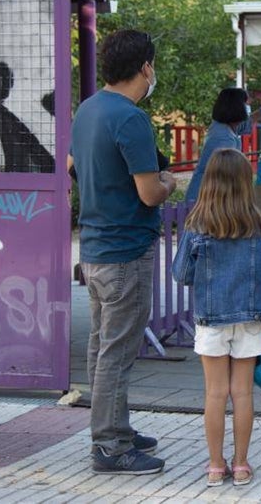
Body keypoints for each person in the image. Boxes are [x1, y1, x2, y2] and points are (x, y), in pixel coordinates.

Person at [68, 29, 177, 475]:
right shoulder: (130, 118)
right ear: (145, 67)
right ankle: (111, 445)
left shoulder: (88, 109)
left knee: (102, 346)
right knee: (118, 351)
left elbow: (73, 168)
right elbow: (150, 193)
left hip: (93, 247)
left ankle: (114, 427)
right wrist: (170, 183)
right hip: (126, 251)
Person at [172, 149, 261, 487]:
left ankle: (216, 465)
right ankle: (242, 464)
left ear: (209, 184)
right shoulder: (260, 227)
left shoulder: (197, 227)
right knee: (243, 394)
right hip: (250, 319)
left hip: (211, 320)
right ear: (245, 184)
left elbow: (180, 273)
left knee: (215, 394)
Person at [184, 88, 261, 202]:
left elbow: (247, 122)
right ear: (237, 107)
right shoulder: (223, 138)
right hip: (207, 199)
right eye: (245, 104)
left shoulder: (223, 126)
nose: (247, 108)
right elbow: (225, 177)